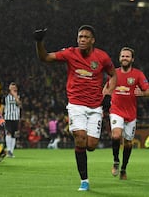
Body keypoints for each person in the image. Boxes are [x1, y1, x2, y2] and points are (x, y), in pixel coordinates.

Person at [34, 25, 117, 191]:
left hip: (95, 106)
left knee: (91, 145)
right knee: (80, 137)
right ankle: (84, 180)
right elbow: (45, 57)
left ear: (92, 40)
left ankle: (84, 158)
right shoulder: (70, 53)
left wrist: (108, 94)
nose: (82, 40)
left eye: (86, 37)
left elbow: (113, 75)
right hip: (76, 104)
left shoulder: (102, 57)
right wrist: (39, 42)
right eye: (80, 37)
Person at [106, 47, 149, 180]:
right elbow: (107, 88)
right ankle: (116, 161)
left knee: (128, 143)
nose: (124, 58)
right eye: (122, 56)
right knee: (116, 135)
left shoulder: (138, 74)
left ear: (132, 59)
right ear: (119, 58)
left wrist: (142, 93)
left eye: (127, 56)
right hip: (116, 110)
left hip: (131, 113)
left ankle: (124, 169)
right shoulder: (113, 73)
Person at [1, 82, 22, 158]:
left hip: (16, 118)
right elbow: (2, 107)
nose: (13, 89)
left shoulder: (19, 96)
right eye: (11, 87)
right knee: (8, 133)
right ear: (9, 89)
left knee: (14, 135)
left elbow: (20, 105)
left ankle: (11, 152)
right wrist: (0, 116)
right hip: (8, 117)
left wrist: (16, 97)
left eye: (14, 87)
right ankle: (9, 150)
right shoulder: (5, 97)